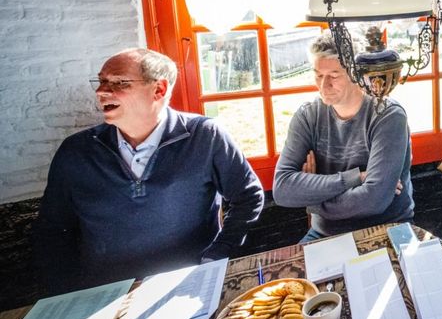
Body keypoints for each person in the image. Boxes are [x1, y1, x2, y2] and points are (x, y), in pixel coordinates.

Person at [34, 48, 264, 294]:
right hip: (107, 295)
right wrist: (67, 294)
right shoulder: (76, 151)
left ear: (159, 90)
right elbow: (52, 230)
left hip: (189, 286)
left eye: (119, 83)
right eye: (101, 81)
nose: (102, 91)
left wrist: (216, 256)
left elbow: (248, 197)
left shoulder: (205, 136)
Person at [273, 32, 413, 241]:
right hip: (324, 233)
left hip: (386, 228)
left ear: (356, 74)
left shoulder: (387, 115)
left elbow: (374, 201)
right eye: (318, 76)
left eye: (334, 76)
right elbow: (282, 189)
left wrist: (313, 201)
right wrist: (354, 178)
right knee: (286, 275)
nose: (323, 86)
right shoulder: (307, 115)